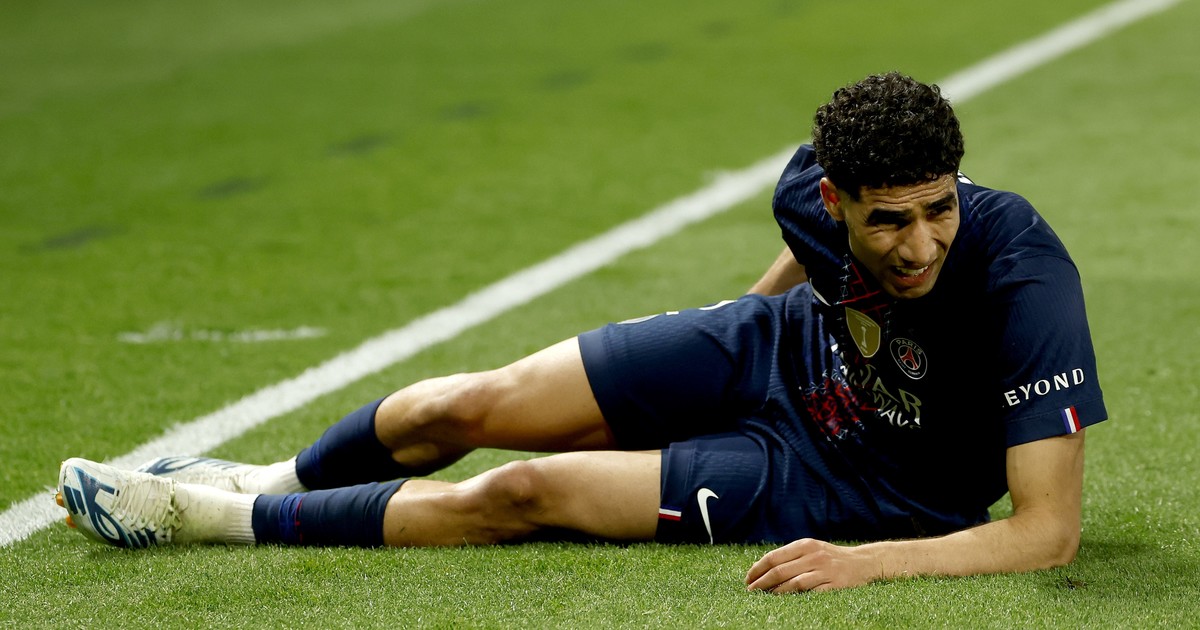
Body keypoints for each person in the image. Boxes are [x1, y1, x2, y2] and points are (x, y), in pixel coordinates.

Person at [56, 71, 1106, 593]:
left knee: (526, 488)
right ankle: (268, 477)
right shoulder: (810, 188)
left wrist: (870, 564)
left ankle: (206, 517)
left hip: (855, 483)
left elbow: (1045, 533)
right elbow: (805, 250)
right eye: (888, 221)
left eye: (939, 210)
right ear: (833, 198)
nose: (920, 245)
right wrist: (740, 324)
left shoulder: (1023, 278)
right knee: (462, 405)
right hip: (773, 352)